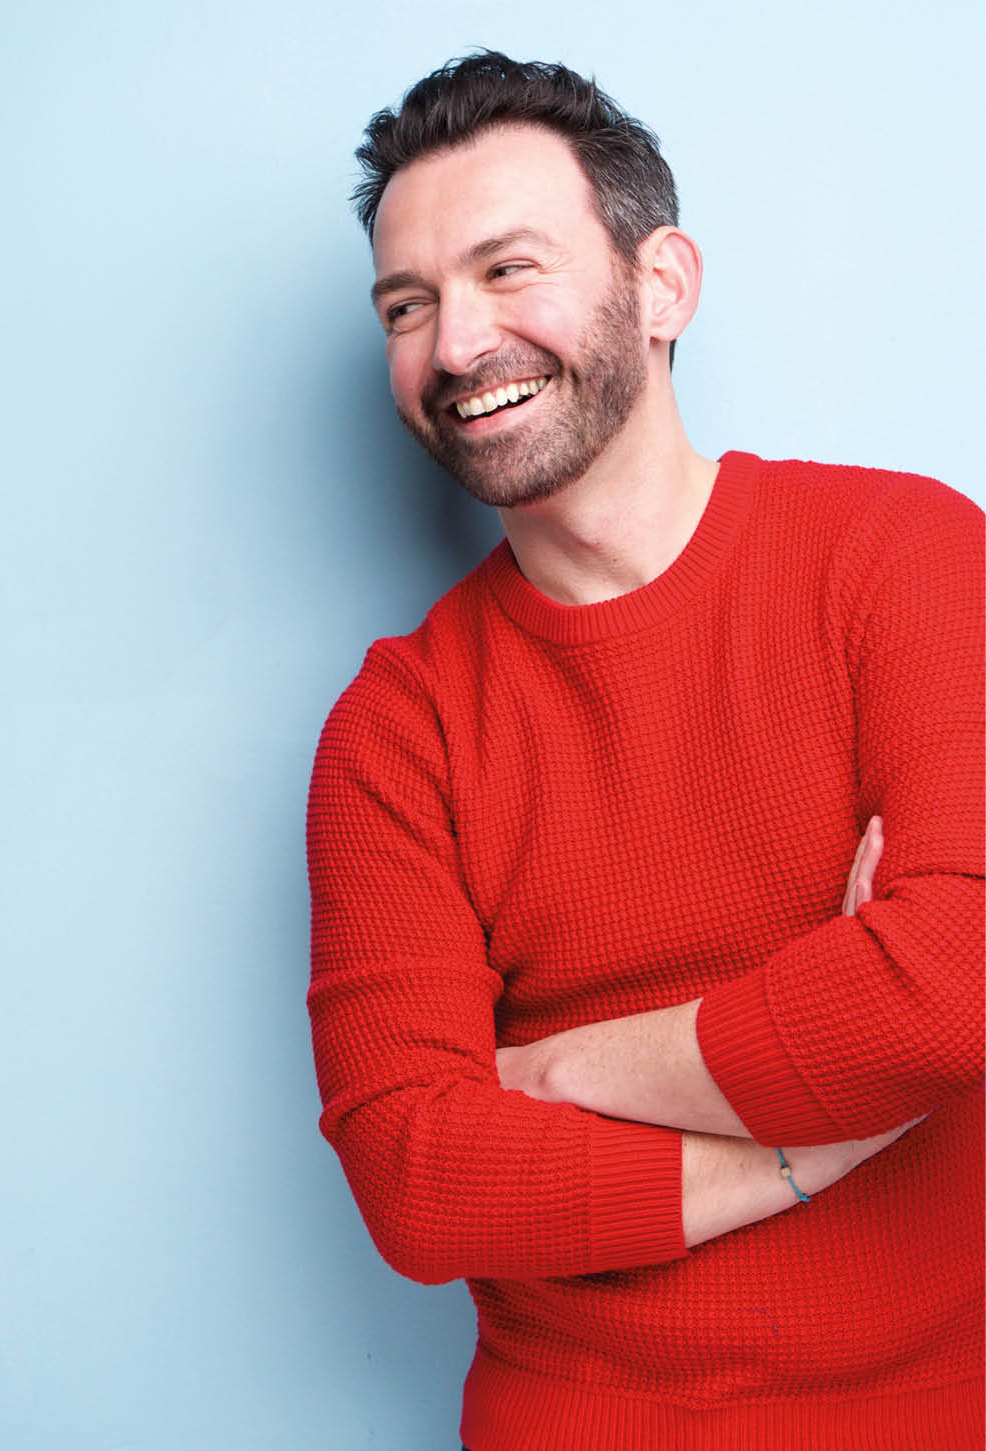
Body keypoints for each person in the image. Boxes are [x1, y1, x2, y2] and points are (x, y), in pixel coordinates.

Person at [306, 51, 983, 1451]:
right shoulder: (397, 728)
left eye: (507, 270)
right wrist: (819, 1140)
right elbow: (415, 1177)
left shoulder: (903, 560)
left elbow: (951, 990)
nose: (453, 344)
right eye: (408, 304)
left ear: (661, 284)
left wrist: (545, 1073)